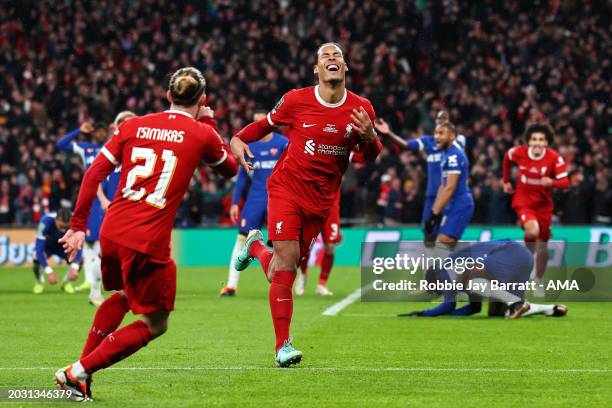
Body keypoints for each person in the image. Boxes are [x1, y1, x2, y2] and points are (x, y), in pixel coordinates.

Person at [55, 67, 237, 401]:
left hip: (112, 231)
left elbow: (94, 173)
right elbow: (230, 168)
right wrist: (209, 122)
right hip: (147, 241)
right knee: (157, 323)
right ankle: (77, 372)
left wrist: (79, 227)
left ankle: (82, 378)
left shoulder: (132, 125)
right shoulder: (201, 133)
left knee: (124, 294)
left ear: (168, 96)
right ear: (203, 100)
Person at [230, 42, 382, 367]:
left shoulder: (361, 109)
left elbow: (369, 158)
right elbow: (266, 125)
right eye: (325, 55)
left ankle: (256, 247)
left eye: (337, 55)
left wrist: (370, 135)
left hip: (321, 200)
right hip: (286, 188)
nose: (331, 58)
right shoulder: (296, 100)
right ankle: (282, 346)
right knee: (286, 265)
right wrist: (238, 138)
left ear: (344, 66)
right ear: (316, 69)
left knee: (279, 270)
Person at [399, 240, 568, 319]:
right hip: (522, 257)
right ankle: (547, 309)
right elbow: (474, 308)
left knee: (472, 281)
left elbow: (448, 304)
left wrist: (423, 314)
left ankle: (516, 303)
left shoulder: (444, 269)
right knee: (495, 313)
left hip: (508, 254)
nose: (442, 292)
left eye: (438, 289)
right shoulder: (453, 265)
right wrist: (449, 316)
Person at [220, 112, 288, 296]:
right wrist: (235, 203)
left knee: (283, 241)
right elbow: (242, 175)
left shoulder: (282, 143)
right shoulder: (250, 146)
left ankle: (283, 283)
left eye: (261, 122)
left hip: (279, 196)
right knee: (242, 238)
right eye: (256, 122)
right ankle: (232, 285)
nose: (259, 126)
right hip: (256, 197)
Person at [375, 112, 466, 241]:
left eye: (445, 119)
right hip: (432, 196)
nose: (441, 121)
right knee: (428, 235)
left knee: (448, 237)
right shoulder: (428, 141)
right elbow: (406, 145)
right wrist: (388, 133)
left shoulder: (456, 145)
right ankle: (432, 261)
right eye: (439, 118)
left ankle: (457, 259)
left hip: (449, 196)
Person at [502, 123, 569, 297]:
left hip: (543, 207)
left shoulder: (554, 158)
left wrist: (552, 182)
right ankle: (526, 265)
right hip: (523, 202)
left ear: (546, 143)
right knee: (532, 231)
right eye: (534, 139)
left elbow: (565, 182)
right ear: (529, 142)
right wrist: (506, 181)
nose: (537, 143)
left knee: (543, 248)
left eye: (541, 140)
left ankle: (538, 280)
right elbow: (507, 158)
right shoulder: (520, 152)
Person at [56, 120, 114, 305]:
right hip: (92, 200)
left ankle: (93, 284)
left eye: (102, 130)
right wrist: (77, 130)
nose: (99, 133)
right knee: (91, 243)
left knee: (100, 244)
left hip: (110, 198)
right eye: (96, 130)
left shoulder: (113, 148)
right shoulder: (86, 149)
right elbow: (60, 145)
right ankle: (91, 284)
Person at [424, 121, 474, 245]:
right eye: (436, 133)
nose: (436, 136)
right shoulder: (446, 154)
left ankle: (479, 257)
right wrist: (433, 212)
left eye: (441, 133)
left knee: (444, 239)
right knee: (445, 242)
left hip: (461, 202)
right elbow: (443, 186)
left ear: (452, 136)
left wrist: (434, 213)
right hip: (452, 203)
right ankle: (474, 260)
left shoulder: (454, 156)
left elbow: (450, 187)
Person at [295, 191, 341, 296]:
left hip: (331, 207)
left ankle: (321, 284)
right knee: (306, 244)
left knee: (330, 246)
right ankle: (303, 274)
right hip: (312, 204)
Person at [32, 207, 82, 294]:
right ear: (56, 220)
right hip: (48, 246)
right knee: (35, 256)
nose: (63, 230)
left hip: (64, 247)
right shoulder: (45, 221)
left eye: (66, 227)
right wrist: (49, 271)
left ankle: (66, 283)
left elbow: (79, 246)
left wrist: (75, 267)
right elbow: (39, 248)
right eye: (61, 226)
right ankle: (39, 281)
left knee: (80, 261)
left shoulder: (77, 222)